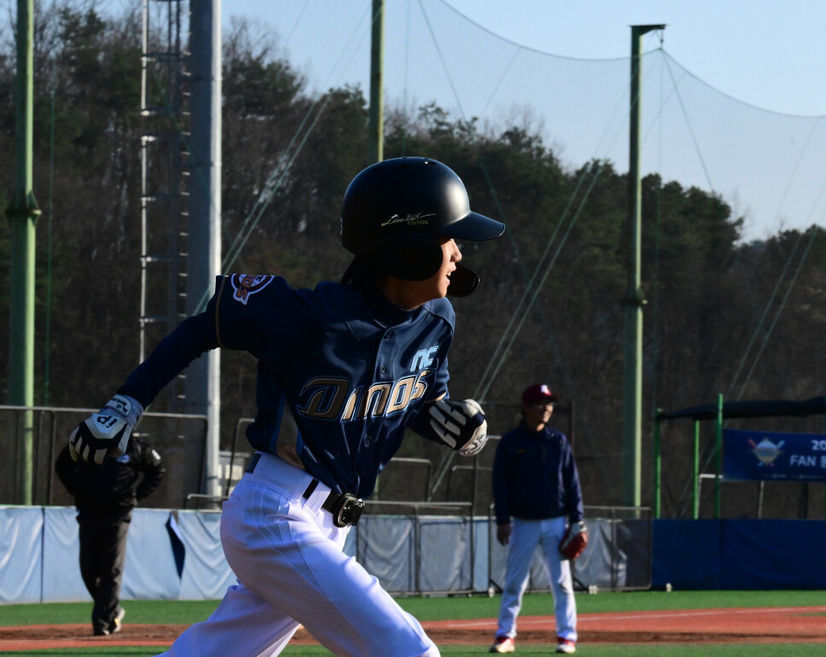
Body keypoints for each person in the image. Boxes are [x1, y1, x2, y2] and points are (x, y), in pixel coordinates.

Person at [67, 156, 505, 657]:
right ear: (407, 252)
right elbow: (203, 327)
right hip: (276, 512)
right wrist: (126, 404)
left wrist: (454, 424)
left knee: (220, 652)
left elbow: (422, 403)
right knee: (407, 650)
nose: (457, 253)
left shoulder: (437, 321)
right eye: (449, 239)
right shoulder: (308, 316)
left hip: (328, 524)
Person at [490, 383, 586, 655]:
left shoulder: (559, 441)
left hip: (556, 522)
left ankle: (567, 637)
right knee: (514, 582)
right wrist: (502, 519)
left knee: (562, 583)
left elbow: (572, 483)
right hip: (523, 522)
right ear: (526, 407)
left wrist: (578, 520)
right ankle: (505, 635)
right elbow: (500, 483)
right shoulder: (511, 442)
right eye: (541, 403)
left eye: (550, 403)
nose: (547, 408)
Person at [55, 436, 165, 636]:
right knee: (88, 569)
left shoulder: (135, 447)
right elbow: (62, 465)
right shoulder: (85, 442)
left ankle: (103, 623)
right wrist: (77, 490)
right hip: (89, 513)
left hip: (119, 514)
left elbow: (157, 470)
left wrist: (135, 495)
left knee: (111, 568)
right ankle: (112, 610)